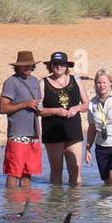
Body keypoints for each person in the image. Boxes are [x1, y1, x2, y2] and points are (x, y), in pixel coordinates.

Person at [38, 52, 88, 186]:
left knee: (75, 170)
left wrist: (76, 109)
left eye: (62, 64)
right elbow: (38, 109)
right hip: (52, 131)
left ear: (67, 66)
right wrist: (55, 111)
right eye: (55, 64)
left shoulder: (76, 80)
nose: (58, 66)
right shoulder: (43, 83)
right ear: (51, 65)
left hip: (73, 130)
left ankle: (75, 203)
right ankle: (56, 205)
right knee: (56, 169)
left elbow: (86, 104)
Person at [0, 51, 43, 188]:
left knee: (28, 172)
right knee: (14, 172)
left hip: (33, 134)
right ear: (17, 67)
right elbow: (3, 108)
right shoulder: (11, 82)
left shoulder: (35, 81)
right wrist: (26, 104)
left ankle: (26, 205)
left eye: (31, 66)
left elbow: (39, 105)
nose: (29, 69)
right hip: (17, 134)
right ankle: (12, 205)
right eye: (25, 66)